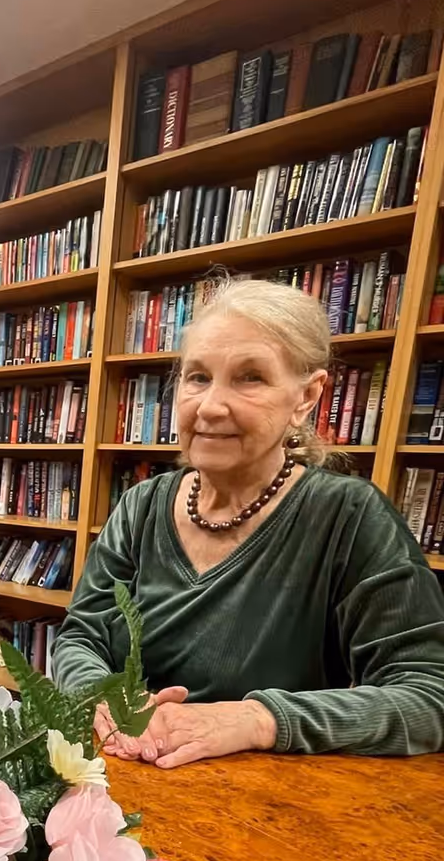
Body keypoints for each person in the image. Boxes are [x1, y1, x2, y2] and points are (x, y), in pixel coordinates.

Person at [53, 277, 444, 767]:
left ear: (307, 396)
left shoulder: (349, 517)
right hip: (124, 777)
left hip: (267, 808)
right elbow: (80, 638)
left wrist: (259, 719)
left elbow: (429, 695)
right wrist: (102, 697)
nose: (211, 405)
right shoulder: (140, 506)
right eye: (197, 377)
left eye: (250, 377)